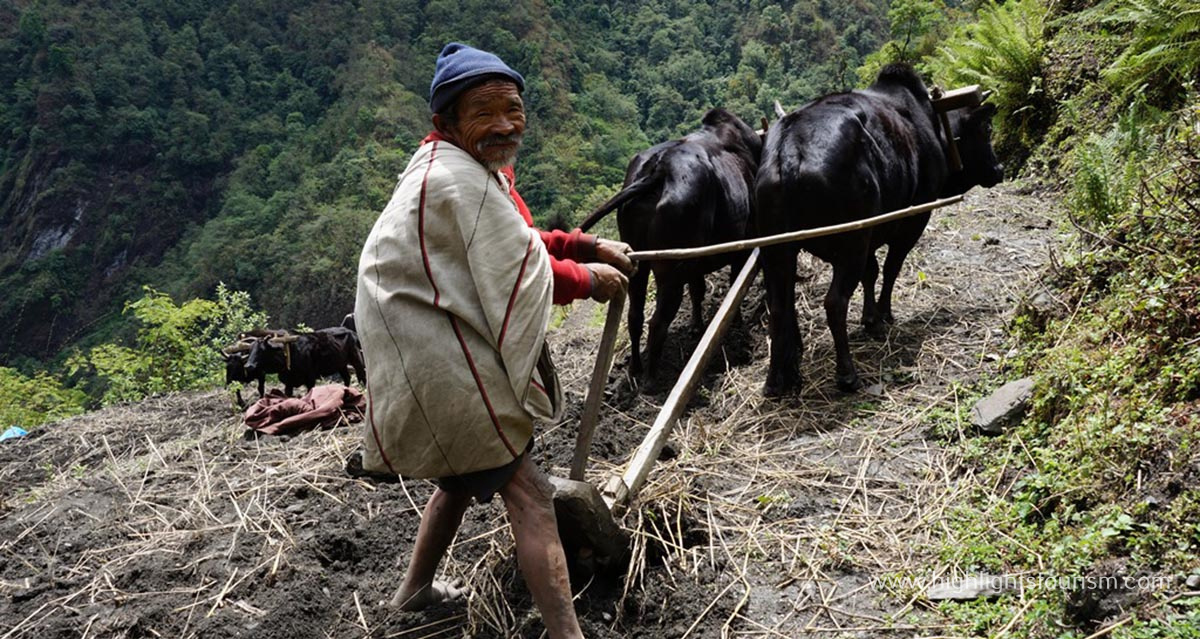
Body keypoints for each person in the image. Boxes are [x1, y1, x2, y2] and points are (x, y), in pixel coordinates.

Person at [353, 42, 634, 639]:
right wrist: (588, 280)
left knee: (458, 480)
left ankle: (413, 593)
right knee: (530, 492)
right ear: (446, 122)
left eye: (513, 108)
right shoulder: (460, 182)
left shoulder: (465, 170)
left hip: (428, 348)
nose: (506, 123)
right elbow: (518, 272)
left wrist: (584, 245)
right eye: (487, 111)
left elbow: (523, 240)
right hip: (438, 354)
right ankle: (567, 633)